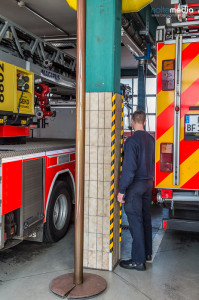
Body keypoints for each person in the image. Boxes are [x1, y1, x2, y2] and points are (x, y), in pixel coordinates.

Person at [117, 110, 155, 271]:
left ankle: (138, 261)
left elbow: (129, 169)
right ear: (144, 122)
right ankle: (146, 253)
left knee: (135, 223)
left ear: (132, 121)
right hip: (148, 184)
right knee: (146, 219)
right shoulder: (151, 140)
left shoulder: (131, 142)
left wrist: (121, 190)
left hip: (135, 186)